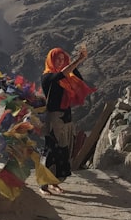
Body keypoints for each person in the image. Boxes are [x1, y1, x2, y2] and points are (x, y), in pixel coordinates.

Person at [39, 44, 95, 195]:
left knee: (63, 151)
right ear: (51, 60)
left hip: (66, 116)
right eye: (57, 59)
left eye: (62, 60)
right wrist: (79, 59)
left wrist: (72, 62)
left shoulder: (66, 77)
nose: (59, 62)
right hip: (54, 118)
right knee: (51, 150)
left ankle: (55, 182)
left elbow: (77, 79)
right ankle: (43, 185)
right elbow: (61, 75)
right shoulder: (47, 77)